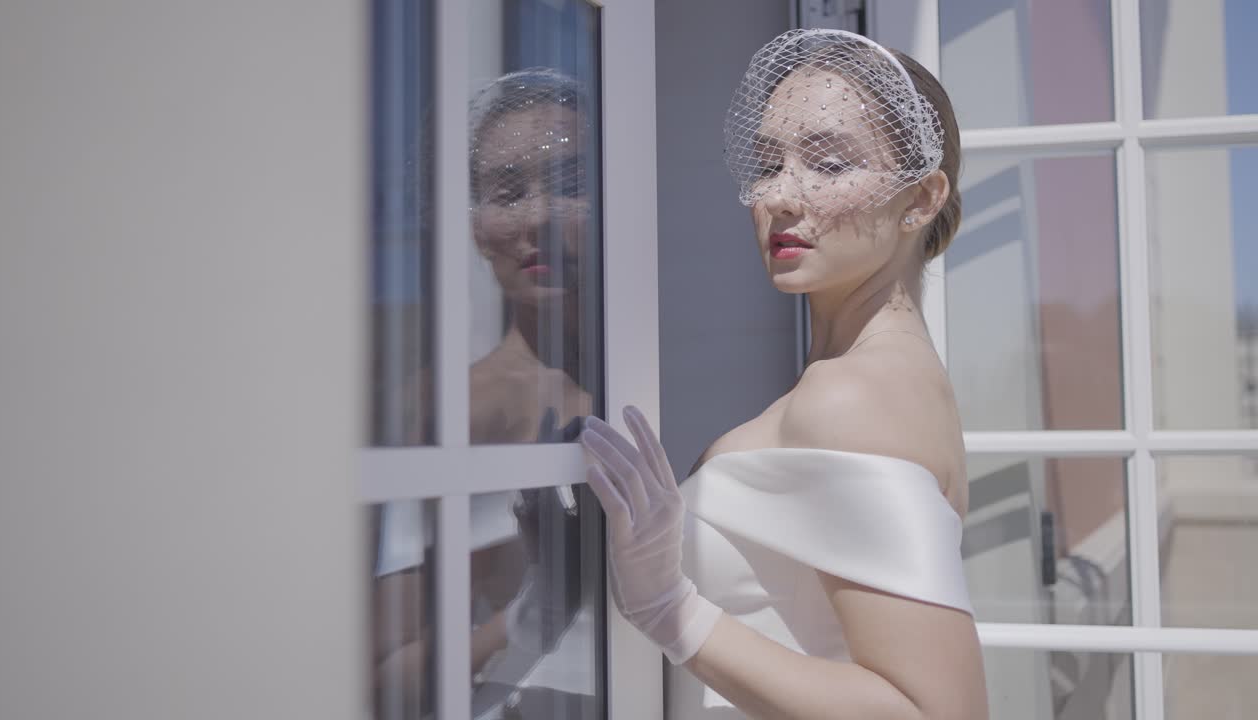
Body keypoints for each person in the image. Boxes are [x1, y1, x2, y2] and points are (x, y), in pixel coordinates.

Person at [580, 29, 989, 720]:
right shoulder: (885, 379)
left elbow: (934, 712)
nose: (781, 196)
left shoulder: (851, 395)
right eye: (768, 164)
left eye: (828, 164)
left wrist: (669, 608)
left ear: (920, 199)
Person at [371, 68, 600, 719]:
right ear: (473, 226)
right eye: (506, 193)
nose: (540, 219)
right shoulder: (454, 410)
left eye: (572, 184)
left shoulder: (653, 376)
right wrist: (532, 613)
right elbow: (384, 675)